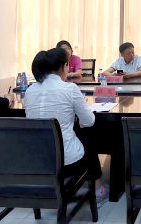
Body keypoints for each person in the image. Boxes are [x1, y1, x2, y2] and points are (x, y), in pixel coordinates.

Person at [24, 48, 107, 202]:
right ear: (64, 66)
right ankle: (97, 189)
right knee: (87, 134)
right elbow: (89, 121)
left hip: (37, 160)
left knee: (71, 129)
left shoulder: (30, 90)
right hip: (66, 161)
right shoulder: (70, 88)